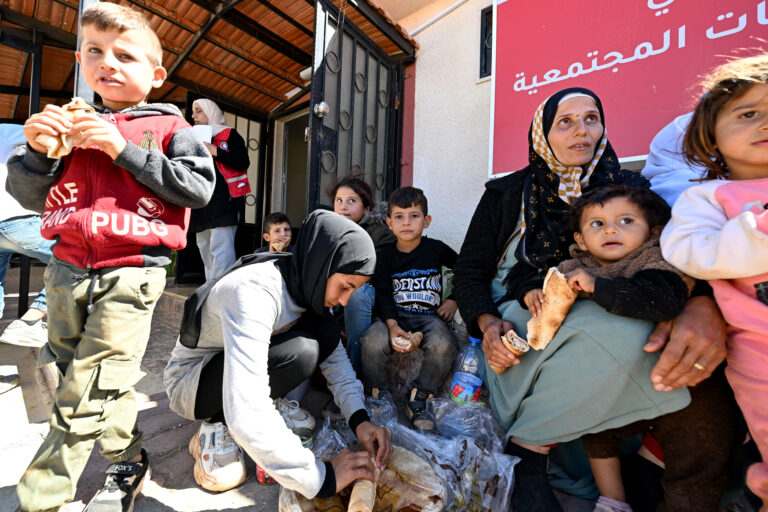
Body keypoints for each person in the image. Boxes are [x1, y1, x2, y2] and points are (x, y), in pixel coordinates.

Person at [453, 87, 736, 512]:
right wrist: (486, 324)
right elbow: (470, 272)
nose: (580, 131)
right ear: (542, 133)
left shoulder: (632, 187)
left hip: (605, 292)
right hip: (524, 301)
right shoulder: (507, 193)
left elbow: (673, 254)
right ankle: (534, 452)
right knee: (609, 333)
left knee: (638, 330)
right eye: (564, 122)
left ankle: (570, 455)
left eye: (591, 119)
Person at [5, 4, 215, 511]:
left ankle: (41, 498)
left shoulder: (169, 128)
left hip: (131, 274)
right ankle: (127, 455)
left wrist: (122, 149)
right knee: (83, 374)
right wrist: (37, 155)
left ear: (155, 74)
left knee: (86, 388)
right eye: (95, 52)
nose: (108, 63)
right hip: (66, 269)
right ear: (81, 60)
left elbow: (197, 188)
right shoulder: (73, 126)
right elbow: (30, 196)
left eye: (125, 54)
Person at [164, 210, 392, 497]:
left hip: (233, 373)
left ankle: (261, 414)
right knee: (303, 351)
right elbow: (246, 406)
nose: (344, 300)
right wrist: (322, 478)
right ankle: (215, 424)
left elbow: (337, 364)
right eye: (345, 287)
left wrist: (360, 420)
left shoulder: (308, 284)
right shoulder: (255, 291)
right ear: (322, 265)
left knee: (321, 335)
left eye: (353, 291)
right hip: (191, 384)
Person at [660, 54, 768, 510]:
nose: (765, 123)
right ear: (711, 137)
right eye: (748, 114)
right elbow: (690, 252)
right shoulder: (706, 197)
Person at [543, 185, 694, 512]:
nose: (610, 229)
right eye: (596, 224)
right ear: (580, 240)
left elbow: (664, 300)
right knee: (596, 426)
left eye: (625, 220)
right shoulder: (574, 266)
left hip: (664, 379)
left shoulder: (654, 258)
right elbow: (547, 295)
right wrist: (533, 296)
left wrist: (598, 287)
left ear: (654, 231)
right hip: (605, 382)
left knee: (688, 456)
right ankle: (613, 501)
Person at [360, 186, 458, 431]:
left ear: (426, 221)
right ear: (389, 223)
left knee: (444, 345)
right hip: (393, 315)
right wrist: (392, 326)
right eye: (399, 217)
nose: (406, 223)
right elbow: (382, 293)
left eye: (414, 216)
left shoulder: (436, 249)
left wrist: (454, 299)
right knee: (372, 340)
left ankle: (420, 398)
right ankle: (377, 394)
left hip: (428, 318)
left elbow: (467, 270)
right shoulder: (384, 257)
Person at [331, 176, 395, 375]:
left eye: (352, 201)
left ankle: (353, 375)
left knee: (356, 293)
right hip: (337, 299)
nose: (344, 207)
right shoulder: (330, 231)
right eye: (339, 201)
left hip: (370, 298)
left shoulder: (379, 233)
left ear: (366, 207)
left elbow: (373, 275)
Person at [0, 124, 55, 347]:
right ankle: (31, 321)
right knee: (80, 256)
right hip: (14, 219)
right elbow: (48, 130)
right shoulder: (4, 131)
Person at [190, 98, 251, 281]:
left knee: (221, 251)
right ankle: (210, 291)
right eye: (193, 111)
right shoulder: (193, 137)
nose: (194, 116)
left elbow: (242, 162)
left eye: (199, 110)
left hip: (225, 204)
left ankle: (221, 294)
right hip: (201, 204)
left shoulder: (230, 135)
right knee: (204, 249)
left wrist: (214, 150)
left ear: (211, 111)